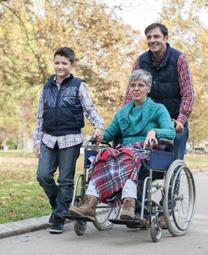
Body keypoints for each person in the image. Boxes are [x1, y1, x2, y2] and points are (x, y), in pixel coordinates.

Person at [69, 69, 176, 222]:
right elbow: (110, 133)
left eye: (141, 85)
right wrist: (100, 135)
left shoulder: (158, 109)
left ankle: (129, 204)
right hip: (125, 151)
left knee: (129, 157)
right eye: (133, 85)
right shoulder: (123, 112)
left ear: (148, 88)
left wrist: (155, 132)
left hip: (148, 151)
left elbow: (171, 132)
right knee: (102, 157)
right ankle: (89, 205)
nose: (136, 89)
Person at [32, 47, 104, 234]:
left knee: (65, 180)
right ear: (53, 63)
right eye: (57, 62)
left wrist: (98, 126)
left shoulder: (79, 85)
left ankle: (59, 216)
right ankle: (59, 207)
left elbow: (90, 109)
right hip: (48, 138)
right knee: (43, 175)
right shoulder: (45, 88)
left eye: (64, 63)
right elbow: (39, 116)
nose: (60, 66)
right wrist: (37, 140)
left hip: (70, 138)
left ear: (71, 65)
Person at [124, 23, 194, 160]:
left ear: (165, 38)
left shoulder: (179, 59)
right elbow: (131, 92)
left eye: (156, 36)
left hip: (174, 120)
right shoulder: (141, 61)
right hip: (147, 120)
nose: (152, 40)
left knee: (173, 162)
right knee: (136, 158)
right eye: (149, 37)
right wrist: (126, 115)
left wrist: (181, 120)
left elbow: (188, 94)